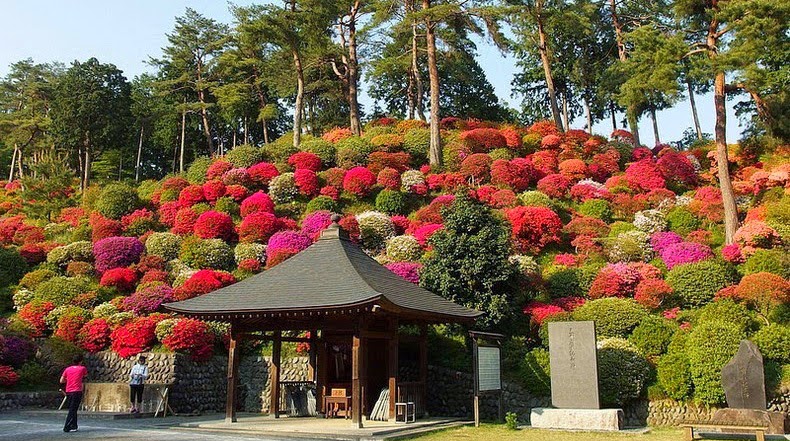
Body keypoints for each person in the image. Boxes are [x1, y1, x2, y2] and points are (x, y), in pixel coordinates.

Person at [60, 354, 88, 433]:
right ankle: (67, 426)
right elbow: (85, 376)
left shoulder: (67, 369)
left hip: (68, 391)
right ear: (80, 361)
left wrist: (69, 380)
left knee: (73, 408)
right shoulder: (82, 368)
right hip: (77, 391)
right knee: (73, 409)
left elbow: (61, 380)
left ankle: (74, 425)